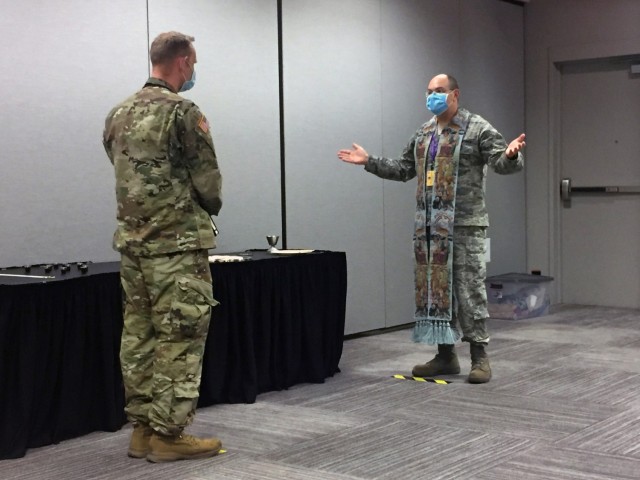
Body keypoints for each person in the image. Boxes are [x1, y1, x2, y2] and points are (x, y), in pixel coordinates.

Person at [338, 74, 524, 384]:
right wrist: (368, 161)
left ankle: (480, 357)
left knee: (468, 291)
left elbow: (501, 163)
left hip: (464, 226)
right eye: (428, 92)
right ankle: (445, 356)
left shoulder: (476, 128)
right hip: (430, 229)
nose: (432, 97)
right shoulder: (424, 133)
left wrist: (510, 154)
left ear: (455, 94)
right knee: (436, 291)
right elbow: (403, 169)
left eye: (438, 91)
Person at [103, 31, 223, 462]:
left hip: (133, 246)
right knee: (181, 336)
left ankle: (141, 430)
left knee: (139, 335)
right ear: (183, 61)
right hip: (176, 247)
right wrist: (204, 204)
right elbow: (208, 183)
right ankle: (169, 436)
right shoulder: (184, 112)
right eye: (194, 63)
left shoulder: (118, 112)